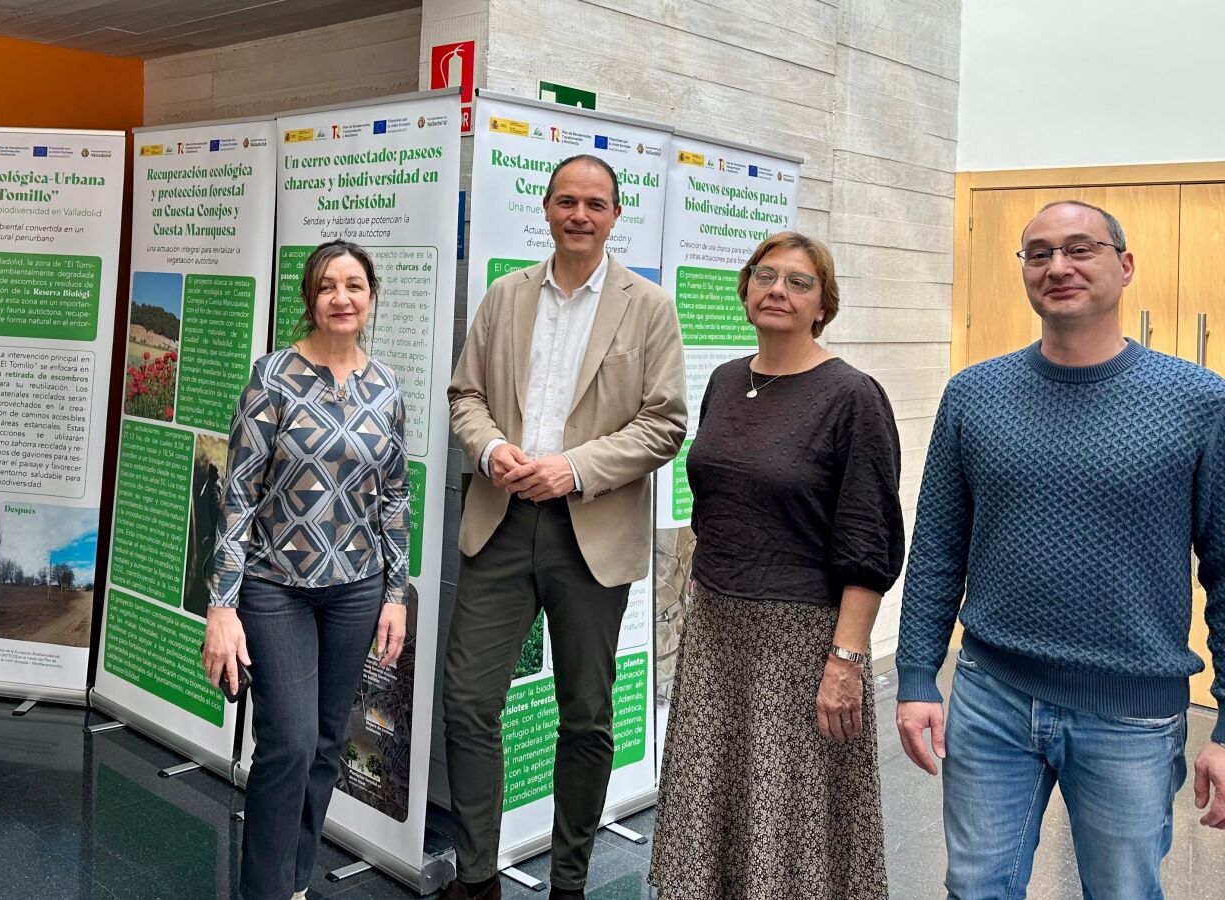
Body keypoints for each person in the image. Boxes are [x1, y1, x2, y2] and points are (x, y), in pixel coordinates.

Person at [896, 200, 1225, 899]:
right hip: (990, 694)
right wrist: (918, 676)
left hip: (1130, 714)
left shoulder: (1198, 400)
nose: (1058, 266)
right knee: (975, 888)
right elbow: (937, 549)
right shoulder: (973, 395)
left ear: (1125, 265)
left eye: (1080, 248)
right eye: (1039, 253)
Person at [443, 154, 687, 900]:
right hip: (501, 522)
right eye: (566, 201)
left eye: (595, 204)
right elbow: (465, 395)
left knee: (585, 715)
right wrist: (492, 450)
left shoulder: (648, 307)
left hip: (591, 534)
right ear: (546, 209)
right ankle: (477, 879)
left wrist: (574, 468)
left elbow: (665, 424)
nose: (580, 215)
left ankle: (570, 883)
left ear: (615, 216)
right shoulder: (505, 296)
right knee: (468, 704)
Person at [647, 232, 904, 899]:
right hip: (716, 628)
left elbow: (869, 539)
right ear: (745, 290)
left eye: (798, 281)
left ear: (824, 304)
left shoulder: (852, 396)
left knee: (788, 816)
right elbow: (715, 496)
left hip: (801, 641)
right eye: (765, 276)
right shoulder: (727, 380)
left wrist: (846, 660)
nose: (777, 291)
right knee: (711, 802)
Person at [202, 240, 411, 900]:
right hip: (275, 588)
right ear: (309, 300)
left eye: (354, 285)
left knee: (324, 745)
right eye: (327, 287)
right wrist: (222, 605)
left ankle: (292, 881)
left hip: (357, 589)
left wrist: (396, 593)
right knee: (288, 743)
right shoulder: (272, 378)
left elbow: (394, 496)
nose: (341, 298)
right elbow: (238, 493)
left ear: (371, 296)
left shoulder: (387, 388)